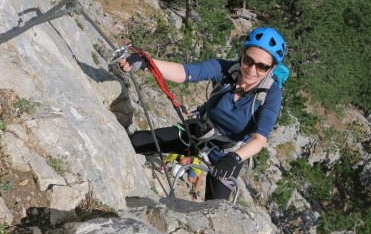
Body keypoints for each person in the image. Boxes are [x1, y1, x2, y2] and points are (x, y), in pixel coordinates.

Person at [118, 27, 287, 201]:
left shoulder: (271, 94)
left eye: (261, 66)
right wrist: (147, 63)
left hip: (228, 154)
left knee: (215, 209)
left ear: (272, 68)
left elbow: (259, 139)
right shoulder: (226, 69)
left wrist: (234, 158)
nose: (252, 69)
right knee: (136, 141)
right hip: (197, 135)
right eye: (248, 60)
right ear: (242, 55)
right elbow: (185, 73)